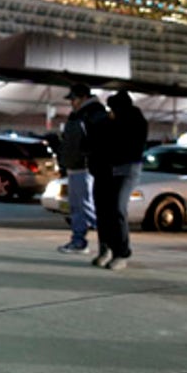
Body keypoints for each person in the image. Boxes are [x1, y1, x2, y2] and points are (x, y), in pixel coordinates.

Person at [90, 90, 147, 271]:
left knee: (117, 208)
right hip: (107, 169)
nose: (110, 111)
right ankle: (106, 249)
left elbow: (127, 145)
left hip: (126, 168)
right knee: (105, 210)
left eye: (112, 108)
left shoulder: (134, 122)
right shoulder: (109, 122)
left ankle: (121, 252)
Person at [57, 83, 103, 254]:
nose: (72, 102)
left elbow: (96, 141)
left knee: (85, 207)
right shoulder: (78, 114)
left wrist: (85, 156)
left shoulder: (94, 114)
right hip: (75, 166)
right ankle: (78, 241)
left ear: (84, 97)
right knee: (77, 208)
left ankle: (109, 239)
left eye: (74, 98)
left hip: (84, 167)